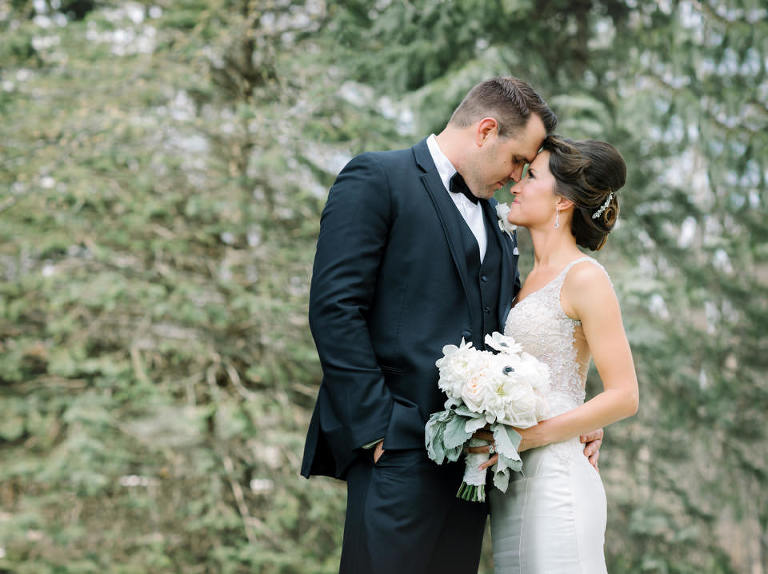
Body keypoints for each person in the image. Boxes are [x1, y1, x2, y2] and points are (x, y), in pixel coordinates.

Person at [300, 77, 603, 574]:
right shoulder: (378, 177)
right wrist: (378, 429)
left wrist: (573, 414)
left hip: (472, 467)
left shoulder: (497, 223)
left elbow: (516, 334)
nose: (515, 178)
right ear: (486, 130)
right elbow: (334, 307)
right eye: (516, 160)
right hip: (394, 448)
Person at [474, 135, 639, 572]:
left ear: (563, 201)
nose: (517, 184)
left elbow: (624, 395)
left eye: (532, 176)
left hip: (556, 480)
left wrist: (534, 436)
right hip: (511, 484)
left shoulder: (585, 278)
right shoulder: (518, 277)